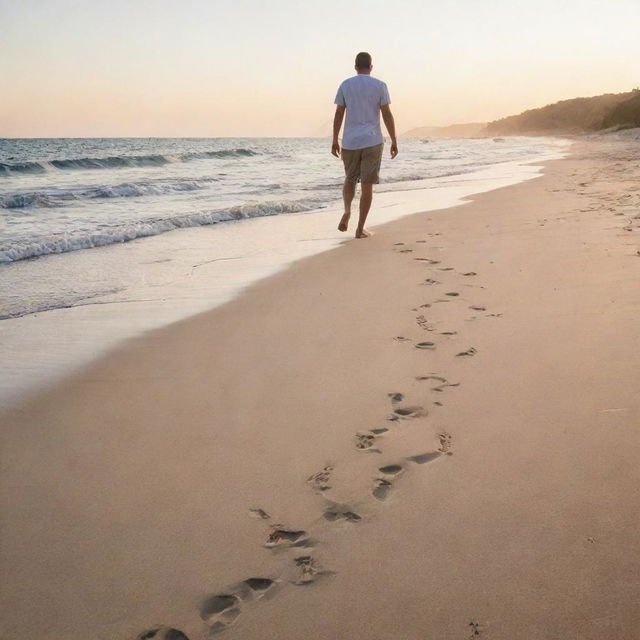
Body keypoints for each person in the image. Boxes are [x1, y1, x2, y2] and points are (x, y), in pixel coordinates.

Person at [331, 51, 398, 239]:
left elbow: (338, 114)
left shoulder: (346, 84)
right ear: (371, 67)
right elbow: (386, 114)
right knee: (367, 185)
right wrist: (394, 139)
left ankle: (346, 211)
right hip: (372, 141)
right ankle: (360, 229)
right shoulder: (380, 86)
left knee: (350, 178)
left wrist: (335, 139)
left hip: (350, 141)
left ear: (355, 66)